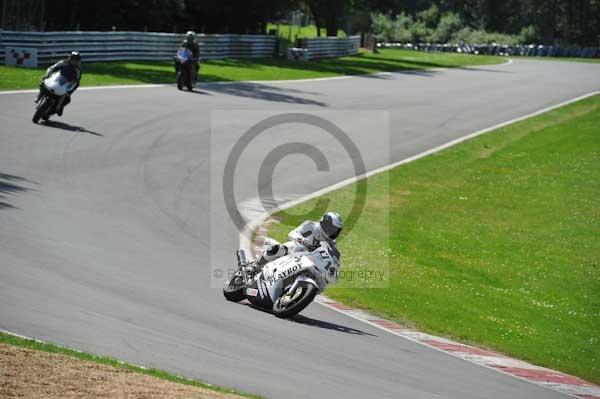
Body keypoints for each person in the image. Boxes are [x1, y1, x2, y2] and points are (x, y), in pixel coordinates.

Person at [256, 211, 343, 267]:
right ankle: (256, 267)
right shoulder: (311, 225)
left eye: (336, 231)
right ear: (325, 224)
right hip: (295, 249)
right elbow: (292, 234)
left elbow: (334, 260)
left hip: (309, 261)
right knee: (277, 249)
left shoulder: (332, 243)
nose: (333, 233)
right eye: (332, 229)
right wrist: (304, 241)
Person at [38, 51, 82, 116]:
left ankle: (60, 107)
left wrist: (69, 91)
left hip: (67, 85)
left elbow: (76, 81)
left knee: (67, 99)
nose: (74, 61)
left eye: (76, 59)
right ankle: (38, 96)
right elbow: (52, 68)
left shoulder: (78, 70)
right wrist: (47, 74)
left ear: (78, 61)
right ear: (69, 58)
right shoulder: (63, 62)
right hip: (57, 80)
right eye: (73, 58)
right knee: (43, 82)